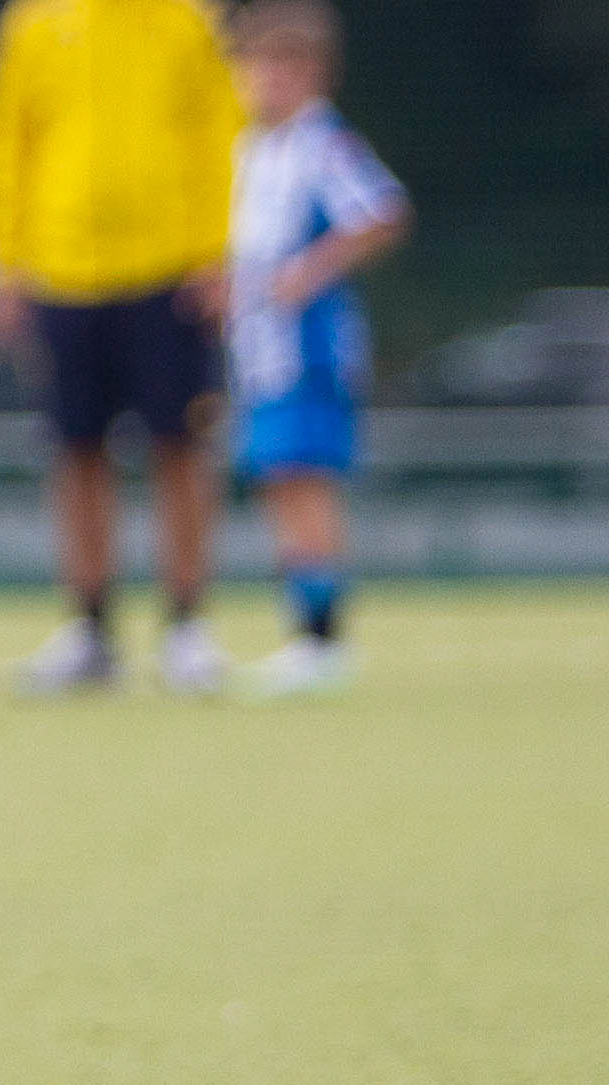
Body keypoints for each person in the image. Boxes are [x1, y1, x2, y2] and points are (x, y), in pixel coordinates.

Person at [0, 0, 247, 695]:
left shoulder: (187, 20)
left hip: (170, 267)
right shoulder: (35, 23)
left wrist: (217, 250)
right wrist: (3, 263)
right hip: (62, 270)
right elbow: (8, 140)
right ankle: (91, 627)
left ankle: (186, 624)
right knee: (76, 451)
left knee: (180, 448)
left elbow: (221, 133)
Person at [226, 0, 409, 697]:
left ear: (315, 74)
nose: (269, 79)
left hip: (310, 350)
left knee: (306, 482)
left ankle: (322, 640)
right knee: (279, 482)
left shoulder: (321, 143)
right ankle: (304, 630)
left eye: (285, 65)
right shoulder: (251, 149)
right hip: (260, 353)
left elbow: (381, 212)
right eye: (257, 64)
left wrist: (310, 270)